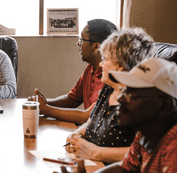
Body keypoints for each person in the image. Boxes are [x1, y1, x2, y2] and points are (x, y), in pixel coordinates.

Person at [65, 28, 155, 164]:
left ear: (120, 66)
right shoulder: (108, 89)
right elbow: (90, 122)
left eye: (105, 59)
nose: (101, 64)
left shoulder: (142, 102)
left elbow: (145, 152)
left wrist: (96, 152)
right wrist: (76, 135)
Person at [94, 58, 177, 172]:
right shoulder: (146, 133)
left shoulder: (174, 146)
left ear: (164, 105)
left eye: (132, 94)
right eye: (124, 91)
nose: (120, 98)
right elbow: (124, 168)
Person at [29, 19, 117, 124]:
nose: (78, 43)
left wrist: (46, 109)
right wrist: (43, 103)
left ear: (96, 46)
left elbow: (86, 117)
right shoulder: (90, 69)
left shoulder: (110, 76)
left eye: (82, 39)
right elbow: (72, 100)